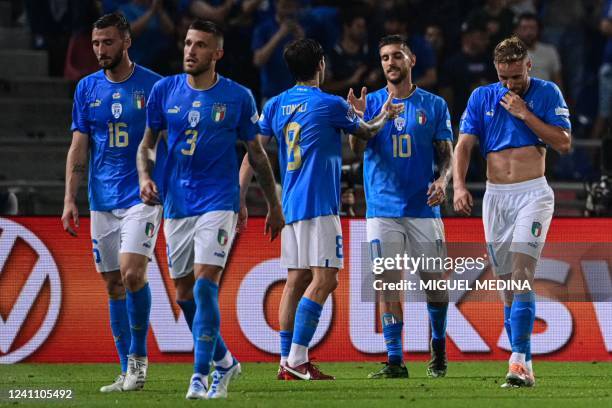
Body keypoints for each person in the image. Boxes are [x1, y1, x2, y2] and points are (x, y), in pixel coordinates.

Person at [239, 38, 403, 380]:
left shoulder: (275, 105)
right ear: (321, 65)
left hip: (290, 205)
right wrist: (382, 115)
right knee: (326, 279)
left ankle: (286, 360)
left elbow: (254, 152)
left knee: (296, 279)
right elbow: (368, 133)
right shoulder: (329, 104)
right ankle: (297, 360)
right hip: (320, 205)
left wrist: (239, 195)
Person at [137, 19, 284, 399]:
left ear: (217, 54)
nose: (190, 51)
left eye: (200, 45)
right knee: (184, 294)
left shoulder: (238, 97)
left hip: (219, 201)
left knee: (205, 288)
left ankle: (200, 376)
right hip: (176, 203)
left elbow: (257, 154)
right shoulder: (163, 90)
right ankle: (224, 361)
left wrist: (273, 204)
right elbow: (148, 144)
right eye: (187, 43)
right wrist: (145, 176)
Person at [453, 36, 571, 388]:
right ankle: (526, 361)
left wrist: (525, 113)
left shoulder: (548, 93)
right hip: (495, 197)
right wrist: (458, 186)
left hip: (532, 195)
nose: (509, 84)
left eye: (516, 76)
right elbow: (464, 145)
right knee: (507, 286)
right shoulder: (481, 96)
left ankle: (516, 361)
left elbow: (563, 142)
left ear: (528, 66)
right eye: (503, 77)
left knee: (521, 275)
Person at [61, 12, 165, 392]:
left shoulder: (155, 87)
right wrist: (70, 198)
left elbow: (169, 141)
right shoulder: (87, 89)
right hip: (101, 200)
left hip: (142, 197)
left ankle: (138, 361)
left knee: (132, 272)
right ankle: (126, 371)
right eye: (95, 43)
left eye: (107, 42)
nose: (100, 50)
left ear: (126, 42)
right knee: (112, 285)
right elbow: (78, 146)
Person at [348, 34, 452, 379]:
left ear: (411, 61)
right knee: (387, 283)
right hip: (382, 207)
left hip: (423, 207)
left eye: (396, 56)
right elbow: (355, 148)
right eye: (384, 58)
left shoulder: (434, 105)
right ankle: (395, 360)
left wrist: (443, 181)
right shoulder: (372, 101)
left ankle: (438, 344)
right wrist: (364, 120)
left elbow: (446, 152)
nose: (389, 63)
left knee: (435, 285)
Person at [514, 13, 563, 88]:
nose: (529, 32)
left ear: (538, 30)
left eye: (532, 28)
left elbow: (557, 80)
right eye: (524, 28)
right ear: (517, 31)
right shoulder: (511, 53)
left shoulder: (550, 51)